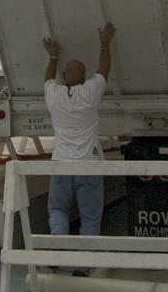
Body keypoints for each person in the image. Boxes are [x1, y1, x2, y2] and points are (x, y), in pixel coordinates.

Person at [43, 24, 115, 267]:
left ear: (64, 76)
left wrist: (53, 56)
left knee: (58, 210)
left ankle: (58, 254)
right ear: (84, 78)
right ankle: (84, 267)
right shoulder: (90, 92)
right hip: (90, 166)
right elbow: (104, 69)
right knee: (90, 219)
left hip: (61, 165)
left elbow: (47, 78)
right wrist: (105, 42)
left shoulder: (54, 96)